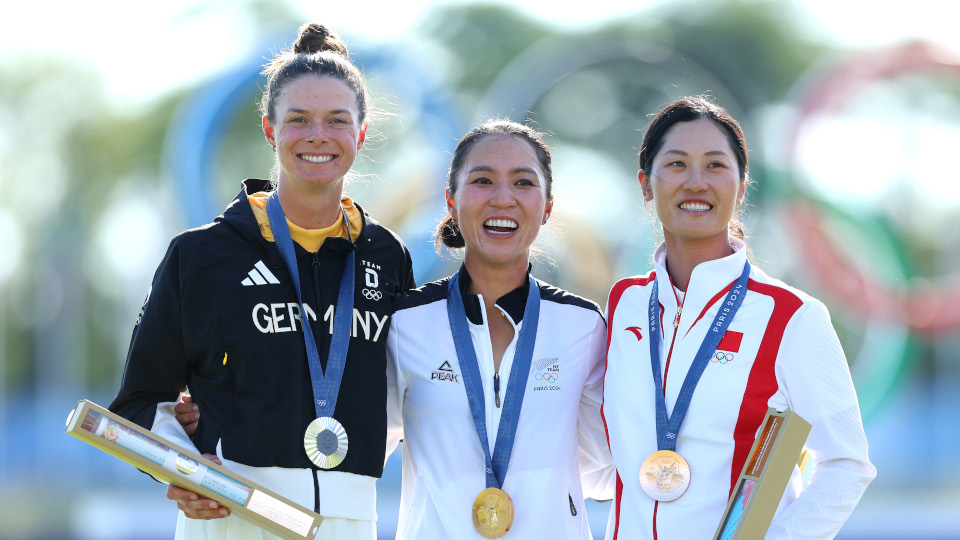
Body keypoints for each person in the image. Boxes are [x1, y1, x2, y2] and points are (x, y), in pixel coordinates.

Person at [108, 22, 415, 540]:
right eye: (299, 119)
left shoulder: (387, 256)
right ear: (271, 130)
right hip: (229, 514)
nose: (318, 135)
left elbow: (404, 394)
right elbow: (138, 402)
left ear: (361, 133)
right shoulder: (201, 255)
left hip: (353, 522)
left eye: (337, 120)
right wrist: (185, 471)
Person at [602, 96, 875, 539]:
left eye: (715, 165)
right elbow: (603, 453)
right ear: (646, 184)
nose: (695, 182)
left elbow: (847, 463)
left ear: (742, 185)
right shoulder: (624, 303)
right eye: (675, 165)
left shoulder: (793, 316)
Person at [384, 119, 614, 539]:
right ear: (451, 200)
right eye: (483, 180)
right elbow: (358, 450)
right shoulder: (405, 323)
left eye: (523, 182)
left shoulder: (584, 327)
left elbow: (600, 473)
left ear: (547, 206)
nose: (503, 199)